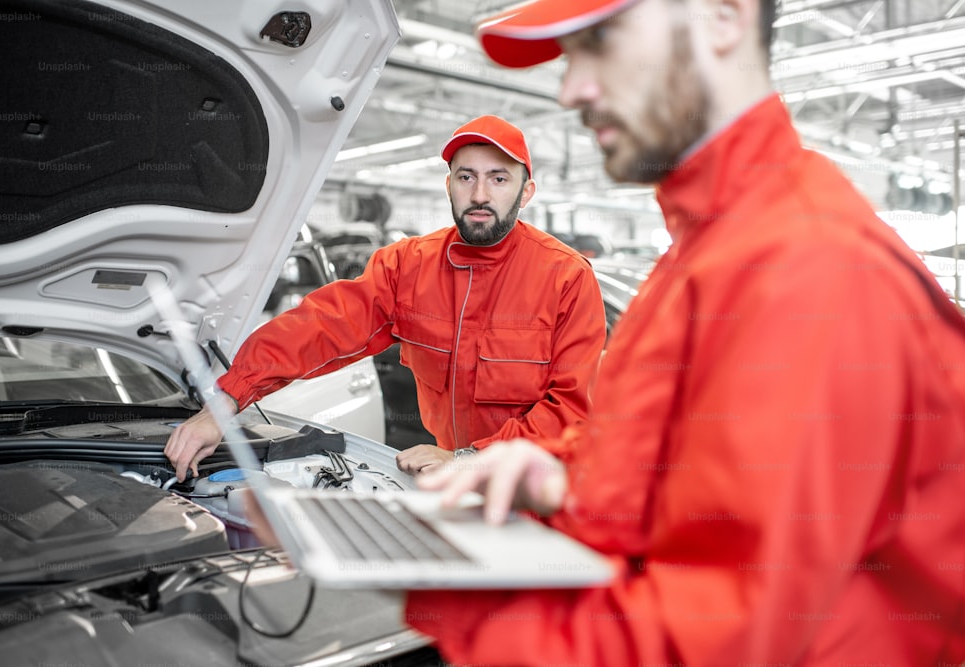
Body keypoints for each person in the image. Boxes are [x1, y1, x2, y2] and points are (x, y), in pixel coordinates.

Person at [401, 0, 965, 665]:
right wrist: (559, 475)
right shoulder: (715, 245)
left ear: (723, 18)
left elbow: (714, 638)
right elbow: (679, 458)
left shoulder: (805, 267)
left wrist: (434, 582)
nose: (571, 88)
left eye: (599, 42)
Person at [164, 114, 607, 481]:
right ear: (448, 184)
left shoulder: (566, 278)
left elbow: (569, 410)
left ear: (526, 191)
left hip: (539, 488)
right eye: (466, 176)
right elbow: (320, 325)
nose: (479, 195)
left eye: (499, 178)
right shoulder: (408, 266)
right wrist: (224, 402)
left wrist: (468, 459)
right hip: (453, 486)